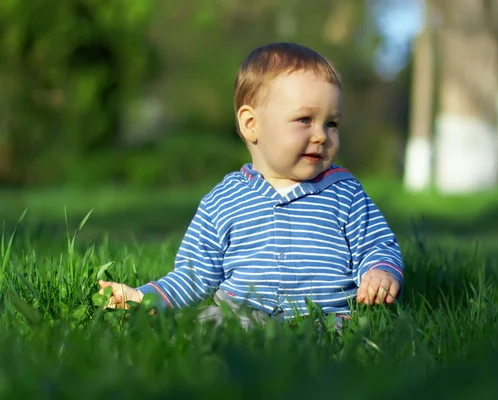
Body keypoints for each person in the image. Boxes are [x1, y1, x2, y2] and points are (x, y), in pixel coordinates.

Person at [98, 42, 405, 330]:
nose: (322, 135)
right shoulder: (224, 201)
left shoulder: (345, 193)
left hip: (327, 321)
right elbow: (194, 275)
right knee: (209, 321)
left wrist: (380, 272)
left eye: (332, 123)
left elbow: (377, 245)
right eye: (304, 120)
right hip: (244, 319)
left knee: (358, 331)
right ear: (251, 124)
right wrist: (145, 296)